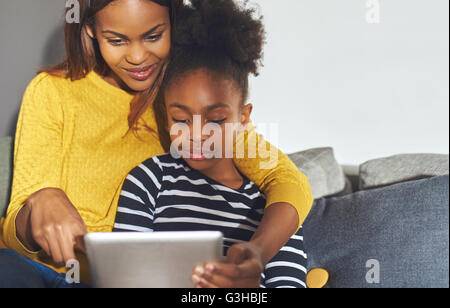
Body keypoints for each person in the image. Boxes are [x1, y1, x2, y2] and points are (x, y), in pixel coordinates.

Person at [0, 0, 313, 288]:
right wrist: (39, 202)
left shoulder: (191, 97)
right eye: (116, 40)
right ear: (91, 30)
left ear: (173, 24)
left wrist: (256, 254)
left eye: (153, 36)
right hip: (54, 276)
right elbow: (15, 235)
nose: (137, 57)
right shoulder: (52, 94)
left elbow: (287, 183)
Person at [114, 0, 307, 288]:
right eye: (181, 119)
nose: (197, 134)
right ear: (166, 119)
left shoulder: (272, 210)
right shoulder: (150, 179)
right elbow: (124, 278)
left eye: (215, 119)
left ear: (243, 118)